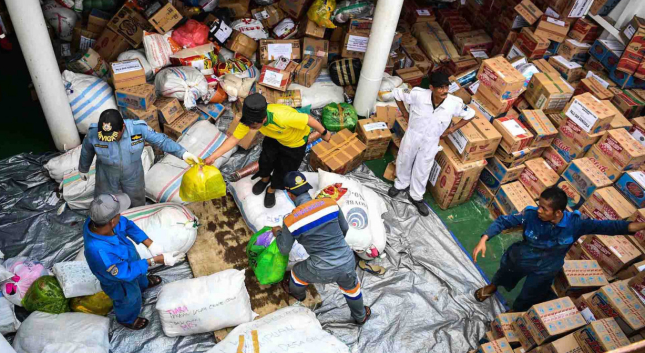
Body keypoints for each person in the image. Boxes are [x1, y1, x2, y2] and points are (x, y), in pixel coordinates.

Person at [472, 186, 645, 311]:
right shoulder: (531, 215)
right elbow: (504, 221)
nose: (539, 210)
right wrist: (484, 239)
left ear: (558, 213)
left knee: (529, 294)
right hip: (523, 256)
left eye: (544, 208)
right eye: (539, 205)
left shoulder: (576, 224)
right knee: (505, 273)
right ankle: (493, 286)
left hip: (547, 267)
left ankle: (514, 312)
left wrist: (638, 226)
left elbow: (609, 227)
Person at [272, 171, 371, 325]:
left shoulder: (291, 220)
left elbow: (284, 249)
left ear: (289, 194)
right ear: (306, 188)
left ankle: (298, 295)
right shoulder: (330, 204)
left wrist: (278, 232)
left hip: (320, 267)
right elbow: (344, 229)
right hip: (346, 261)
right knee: (352, 289)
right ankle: (360, 316)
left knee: (297, 272)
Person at [204, 94, 331, 208]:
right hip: (274, 137)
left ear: (263, 120)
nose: (249, 128)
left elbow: (309, 119)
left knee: (284, 169)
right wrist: (213, 157)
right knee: (265, 160)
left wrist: (324, 132)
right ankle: (265, 179)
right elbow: (234, 139)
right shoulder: (249, 120)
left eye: (253, 126)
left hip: (294, 143)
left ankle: (272, 188)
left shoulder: (283, 117)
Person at [83, 193, 186, 330]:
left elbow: (128, 225)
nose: (121, 215)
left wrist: (150, 244)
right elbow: (124, 273)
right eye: (119, 213)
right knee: (129, 299)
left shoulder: (99, 222)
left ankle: (143, 284)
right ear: (112, 221)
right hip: (120, 281)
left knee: (140, 276)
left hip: (130, 259)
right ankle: (127, 319)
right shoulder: (99, 252)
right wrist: (155, 260)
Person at [388, 71, 476, 216]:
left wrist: (451, 129)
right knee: (404, 159)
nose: (444, 91)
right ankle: (400, 184)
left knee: (423, 167)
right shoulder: (418, 94)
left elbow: (470, 114)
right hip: (413, 135)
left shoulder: (454, 103)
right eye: (440, 87)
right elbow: (397, 93)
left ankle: (416, 196)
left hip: (431, 140)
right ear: (431, 87)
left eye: (446, 87)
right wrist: (404, 112)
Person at [79, 109, 199, 207]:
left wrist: (183, 154)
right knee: (105, 204)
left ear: (123, 127)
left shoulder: (138, 129)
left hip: (133, 175)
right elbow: (87, 151)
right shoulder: (94, 133)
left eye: (114, 136)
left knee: (136, 202)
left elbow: (162, 141)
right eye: (106, 137)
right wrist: (83, 168)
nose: (111, 139)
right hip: (106, 176)